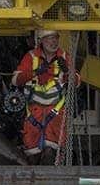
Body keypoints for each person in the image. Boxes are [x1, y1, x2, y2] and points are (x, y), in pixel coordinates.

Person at [11, 28, 74, 161]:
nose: (54, 42)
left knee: (52, 152)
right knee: (33, 152)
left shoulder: (64, 57)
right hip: (34, 113)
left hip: (56, 112)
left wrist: (68, 73)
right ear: (41, 41)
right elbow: (16, 80)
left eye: (56, 38)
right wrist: (34, 73)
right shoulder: (31, 57)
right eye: (50, 38)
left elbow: (77, 82)